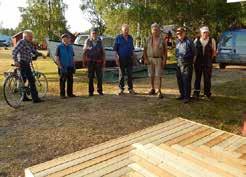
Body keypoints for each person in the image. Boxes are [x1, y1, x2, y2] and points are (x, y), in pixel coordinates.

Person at [12, 30, 43, 103]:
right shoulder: (22, 42)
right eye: (30, 36)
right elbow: (14, 51)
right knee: (31, 80)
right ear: (25, 36)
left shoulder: (29, 43)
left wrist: (41, 54)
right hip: (22, 63)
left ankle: (24, 97)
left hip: (26, 63)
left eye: (32, 36)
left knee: (24, 80)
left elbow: (33, 51)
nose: (32, 38)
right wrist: (15, 61)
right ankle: (35, 98)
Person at [143, 23, 167, 98]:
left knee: (158, 75)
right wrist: (146, 59)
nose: (155, 31)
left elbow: (165, 51)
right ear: (151, 30)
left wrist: (164, 61)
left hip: (159, 59)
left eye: (156, 29)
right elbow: (144, 50)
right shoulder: (148, 39)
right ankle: (152, 88)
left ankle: (159, 90)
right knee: (151, 75)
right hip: (150, 59)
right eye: (154, 30)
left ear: (159, 30)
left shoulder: (162, 39)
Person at [193, 26, 216, 99]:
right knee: (197, 78)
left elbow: (214, 52)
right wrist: (193, 61)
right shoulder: (196, 40)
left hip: (207, 63)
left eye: (207, 32)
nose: (205, 34)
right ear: (201, 33)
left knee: (207, 79)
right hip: (198, 63)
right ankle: (196, 93)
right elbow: (194, 53)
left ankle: (207, 94)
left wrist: (209, 60)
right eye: (204, 32)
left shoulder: (212, 40)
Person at [113, 24, 136, 95]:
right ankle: (121, 89)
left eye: (127, 30)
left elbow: (132, 49)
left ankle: (130, 89)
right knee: (121, 75)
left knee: (130, 74)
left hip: (129, 59)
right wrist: (116, 58)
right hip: (121, 59)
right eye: (125, 30)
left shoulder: (130, 38)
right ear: (122, 30)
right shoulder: (118, 37)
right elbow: (115, 50)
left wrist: (134, 58)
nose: (126, 31)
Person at [83, 28, 105, 96]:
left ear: (97, 34)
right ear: (91, 34)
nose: (94, 34)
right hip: (90, 62)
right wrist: (84, 61)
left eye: (95, 33)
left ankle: (100, 91)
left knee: (99, 77)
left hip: (98, 62)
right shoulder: (87, 41)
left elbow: (103, 52)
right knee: (90, 77)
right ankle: (90, 92)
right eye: (93, 33)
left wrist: (104, 61)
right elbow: (84, 51)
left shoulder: (100, 41)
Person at [175, 27, 195, 103]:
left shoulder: (189, 41)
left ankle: (187, 97)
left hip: (187, 64)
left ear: (184, 33)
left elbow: (194, 53)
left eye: (180, 33)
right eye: (177, 33)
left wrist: (191, 63)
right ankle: (182, 95)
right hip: (179, 64)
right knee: (179, 80)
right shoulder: (177, 42)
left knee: (186, 80)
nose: (179, 35)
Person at [56, 33, 76, 99]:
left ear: (69, 39)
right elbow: (57, 57)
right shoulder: (59, 47)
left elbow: (72, 57)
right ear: (62, 40)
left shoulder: (70, 47)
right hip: (63, 66)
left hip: (70, 66)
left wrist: (73, 65)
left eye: (66, 38)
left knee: (70, 80)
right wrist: (60, 66)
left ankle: (70, 93)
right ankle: (62, 94)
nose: (65, 40)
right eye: (63, 39)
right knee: (62, 81)